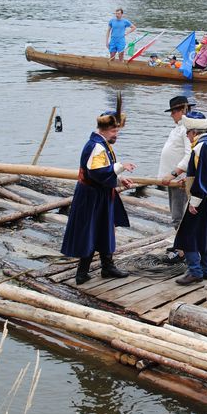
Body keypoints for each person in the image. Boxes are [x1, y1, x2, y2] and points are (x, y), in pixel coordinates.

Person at [61, 95, 137, 285]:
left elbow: (104, 172)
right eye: (115, 131)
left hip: (99, 194)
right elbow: (96, 172)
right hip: (91, 196)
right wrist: (120, 167)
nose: (116, 135)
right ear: (106, 129)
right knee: (91, 230)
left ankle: (107, 267)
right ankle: (82, 272)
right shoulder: (96, 146)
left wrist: (119, 180)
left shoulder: (102, 144)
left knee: (103, 229)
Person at [174, 111, 207, 285]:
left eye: (188, 133)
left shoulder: (200, 148)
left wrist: (194, 202)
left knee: (187, 235)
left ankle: (195, 271)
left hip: (203, 198)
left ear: (194, 132)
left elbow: (204, 177)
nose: (187, 137)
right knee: (206, 234)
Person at [158, 96, 195, 262]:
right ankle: (180, 244)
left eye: (173, 111)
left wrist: (174, 173)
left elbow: (189, 155)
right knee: (177, 214)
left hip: (178, 180)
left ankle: (182, 251)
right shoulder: (177, 128)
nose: (172, 115)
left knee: (178, 215)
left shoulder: (186, 129)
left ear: (181, 111)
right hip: (171, 179)